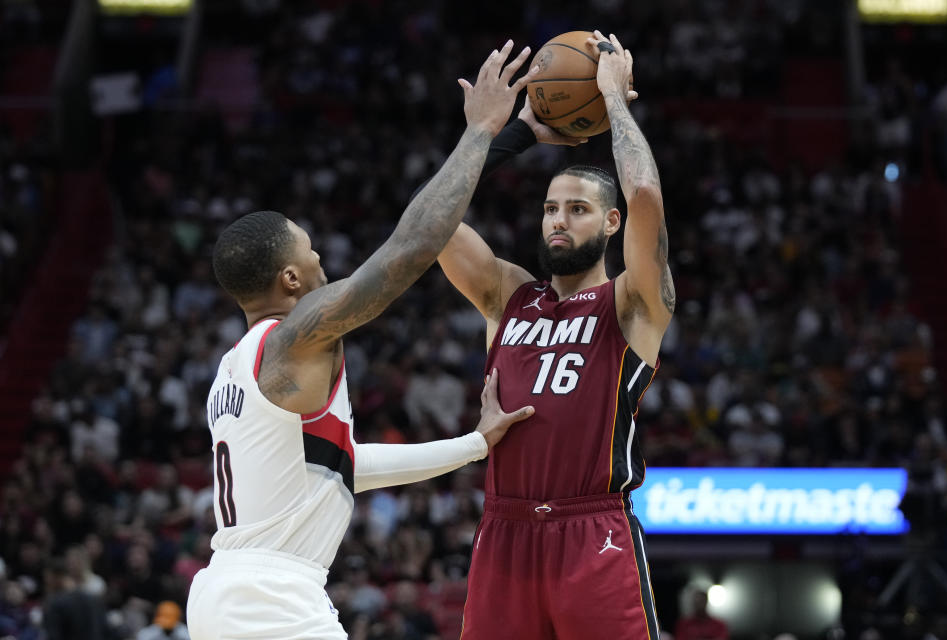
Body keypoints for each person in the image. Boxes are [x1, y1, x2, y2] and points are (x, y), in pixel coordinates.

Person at [186, 41, 538, 640]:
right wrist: (486, 132)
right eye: (309, 247)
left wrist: (476, 445)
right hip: (274, 597)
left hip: (230, 591)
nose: (321, 254)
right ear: (290, 279)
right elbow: (411, 248)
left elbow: (346, 468)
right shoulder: (294, 336)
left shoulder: (236, 368)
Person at [436, 32, 672, 638]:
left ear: (611, 222)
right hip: (503, 532)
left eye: (577, 209)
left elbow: (644, 191)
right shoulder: (507, 294)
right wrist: (509, 134)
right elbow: (429, 221)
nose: (558, 220)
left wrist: (613, 100)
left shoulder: (632, 303)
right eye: (550, 208)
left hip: (593, 532)